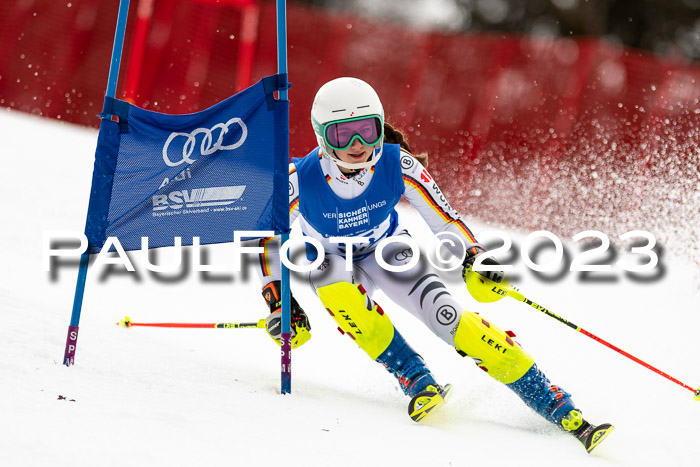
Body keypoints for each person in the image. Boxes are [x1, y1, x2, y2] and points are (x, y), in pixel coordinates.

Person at [255, 77, 612, 452]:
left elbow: (445, 219)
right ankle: (414, 377)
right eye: (343, 136)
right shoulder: (300, 179)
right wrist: (278, 299)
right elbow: (268, 239)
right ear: (322, 137)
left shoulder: (399, 164)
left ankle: (549, 398)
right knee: (344, 300)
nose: (358, 145)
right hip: (328, 257)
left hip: (385, 248)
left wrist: (474, 256)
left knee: (446, 315)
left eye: (367, 131)